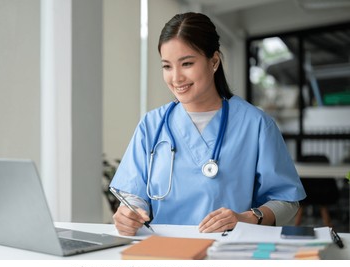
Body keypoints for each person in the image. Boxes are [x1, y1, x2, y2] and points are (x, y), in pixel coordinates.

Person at [110, 12, 306, 236]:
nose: (176, 78)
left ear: (213, 61)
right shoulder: (151, 125)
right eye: (167, 66)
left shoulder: (256, 124)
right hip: (164, 249)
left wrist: (246, 218)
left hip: (230, 251)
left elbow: (287, 200)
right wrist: (130, 213)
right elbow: (134, 196)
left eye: (187, 63)